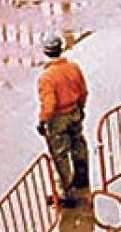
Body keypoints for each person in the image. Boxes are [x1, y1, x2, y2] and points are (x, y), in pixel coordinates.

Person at [37, 32, 90, 207]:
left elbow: (49, 104)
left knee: (60, 156)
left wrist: (43, 121)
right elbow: (83, 91)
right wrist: (80, 108)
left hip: (58, 118)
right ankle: (82, 179)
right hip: (74, 111)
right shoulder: (73, 67)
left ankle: (67, 193)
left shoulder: (46, 77)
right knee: (78, 144)